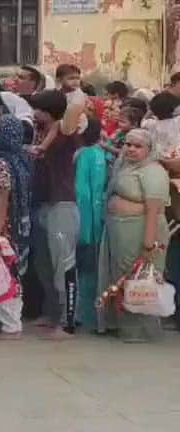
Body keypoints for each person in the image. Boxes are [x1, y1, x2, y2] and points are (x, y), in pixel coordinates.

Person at [98, 128, 172, 342]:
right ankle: (122, 325)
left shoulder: (154, 171)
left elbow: (153, 209)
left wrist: (149, 244)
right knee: (120, 276)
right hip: (120, 230)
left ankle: (140, 331)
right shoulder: (125, 165)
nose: (130, 149)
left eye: (137, 146)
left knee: (138, 278)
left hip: (142, 231)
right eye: (128, 144)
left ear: (149, 150)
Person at [28, 89, 84, 340]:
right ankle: (51, 311)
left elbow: (76, 104)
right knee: (43, 263)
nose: (33, 113)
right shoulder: (42, 132)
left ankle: (68, 320)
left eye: (37, 108)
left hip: (62, 203)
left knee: (64, 264)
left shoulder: (65, 131)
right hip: (43, 202)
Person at [0, 115, 35, 339]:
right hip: (15, 224)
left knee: (2, 272)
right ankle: (5, 320)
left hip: (2, 226)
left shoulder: (1, 163)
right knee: (9, 272)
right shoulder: (20, 159)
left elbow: (2, 199)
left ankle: (11, 326)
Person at [73, 116, 110, 328]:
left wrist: (84, 226)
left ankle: (81, 313)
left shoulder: (85, 154)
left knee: (83, 267)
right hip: (96, 218)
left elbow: (82, 192)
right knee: (92, 268)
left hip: (85, 219)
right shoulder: (99, 153)